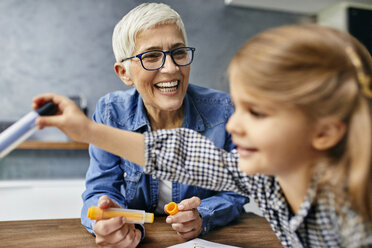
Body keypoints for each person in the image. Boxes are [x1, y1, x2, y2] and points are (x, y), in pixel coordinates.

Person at [33, 24, 372, 247]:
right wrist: (87, 130)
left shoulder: (349, 217)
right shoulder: (264, 182)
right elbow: (183, 156)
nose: (233, 125)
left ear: (324, 132)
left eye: (256, 113)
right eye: (238, 108)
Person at [69, 2, 248, 247]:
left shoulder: (223, 109)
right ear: (124, 73)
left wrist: (203, 215)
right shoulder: (111, 112)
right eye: (151, 56)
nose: (171, 68)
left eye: (179, 52)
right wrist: (105, 222)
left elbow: (238, 190)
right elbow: (100, 190)